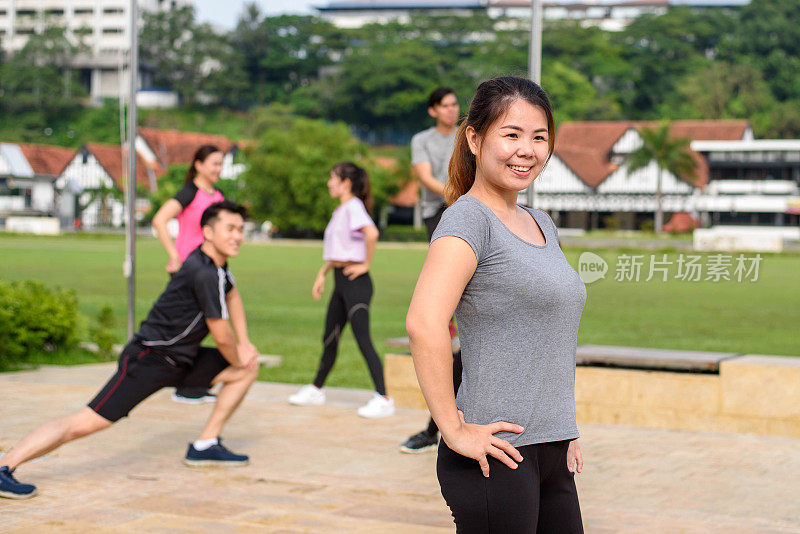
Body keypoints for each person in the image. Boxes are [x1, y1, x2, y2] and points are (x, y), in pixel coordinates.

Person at [405, 76, 586, 532]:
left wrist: (565, 428)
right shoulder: (468, 219)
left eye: (539, 137)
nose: (526, 150)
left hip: (551, 448)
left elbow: (547, 337)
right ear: (474, 137)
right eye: (511, 134)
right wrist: (452, 428)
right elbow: (424, 323)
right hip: (495, 453)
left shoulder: (540, 221)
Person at [0, 201, 259, 500]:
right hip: (149, 360)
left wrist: (245, 343)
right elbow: (221, 335)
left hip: (180, 359)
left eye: (241, 229)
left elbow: (233, 294)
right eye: (230, 229)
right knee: (84, 423)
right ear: (208, 232)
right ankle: (5, 466)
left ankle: (205, 445)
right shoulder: (203, 272)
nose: (238, 235)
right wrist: (237, 351)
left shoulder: (216, 266)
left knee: (245, 369)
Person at [288, 162, 395, 418]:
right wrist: (322, 274)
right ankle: (316, 389)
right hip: (340, 280)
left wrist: (366, 264)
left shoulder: (353, 207)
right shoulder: (342, 210)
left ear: (346, 183)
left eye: (332, 178)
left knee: (362, 338)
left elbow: (372, 233)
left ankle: (384, 398)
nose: (329, 183)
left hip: (356, 283)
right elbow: (340, 250)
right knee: (330, 337)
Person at [401, 87, 461, 453]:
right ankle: (436, 427)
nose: (453, 110)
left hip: (467, 206)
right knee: (443, 320)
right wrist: (459, 197)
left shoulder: (466, 135)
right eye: (447, 105)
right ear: (432, 110)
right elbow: (424, 178)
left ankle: (439, 426)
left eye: (457, 104)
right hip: (440, 212)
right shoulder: (422, 140)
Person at [152, 145, 225, 404]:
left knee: (205, 327)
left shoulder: (219, 196)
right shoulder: (189, 192)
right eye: (214, 163)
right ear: (198, 165)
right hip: (188, 271)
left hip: (212, 272)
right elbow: (160, 220)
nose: (218, 169)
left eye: (221, 163)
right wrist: (174, 255)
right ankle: (184, 384)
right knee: (188, 328)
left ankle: (191, 384)